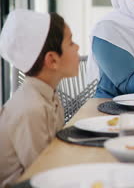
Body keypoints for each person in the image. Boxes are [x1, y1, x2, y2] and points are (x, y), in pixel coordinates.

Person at [0, 10, 80, 187]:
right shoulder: (31, 109)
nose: (77, 47)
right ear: (52, 60)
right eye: (71, 42)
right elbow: (44, 174)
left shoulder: (48, 95)